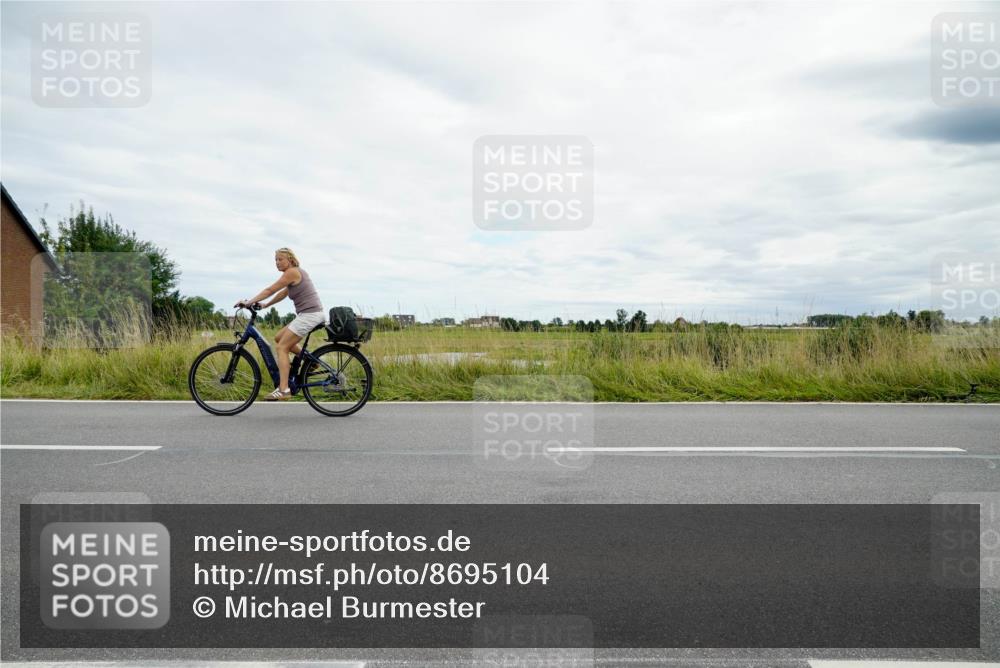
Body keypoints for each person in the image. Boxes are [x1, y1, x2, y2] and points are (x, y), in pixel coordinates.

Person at [236, 248, 324, 400]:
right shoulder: (295, 274)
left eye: (280, 259)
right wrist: (265, 305)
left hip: (310, 315)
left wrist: (248, 302)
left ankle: (284, 390)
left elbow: (270, 289)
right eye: (275, 260)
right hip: (308, 314)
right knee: (278, 338)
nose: (277, 263)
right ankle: (312, 361)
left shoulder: (292, 272)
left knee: (281, 347)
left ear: (290, 259)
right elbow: (282, 293)